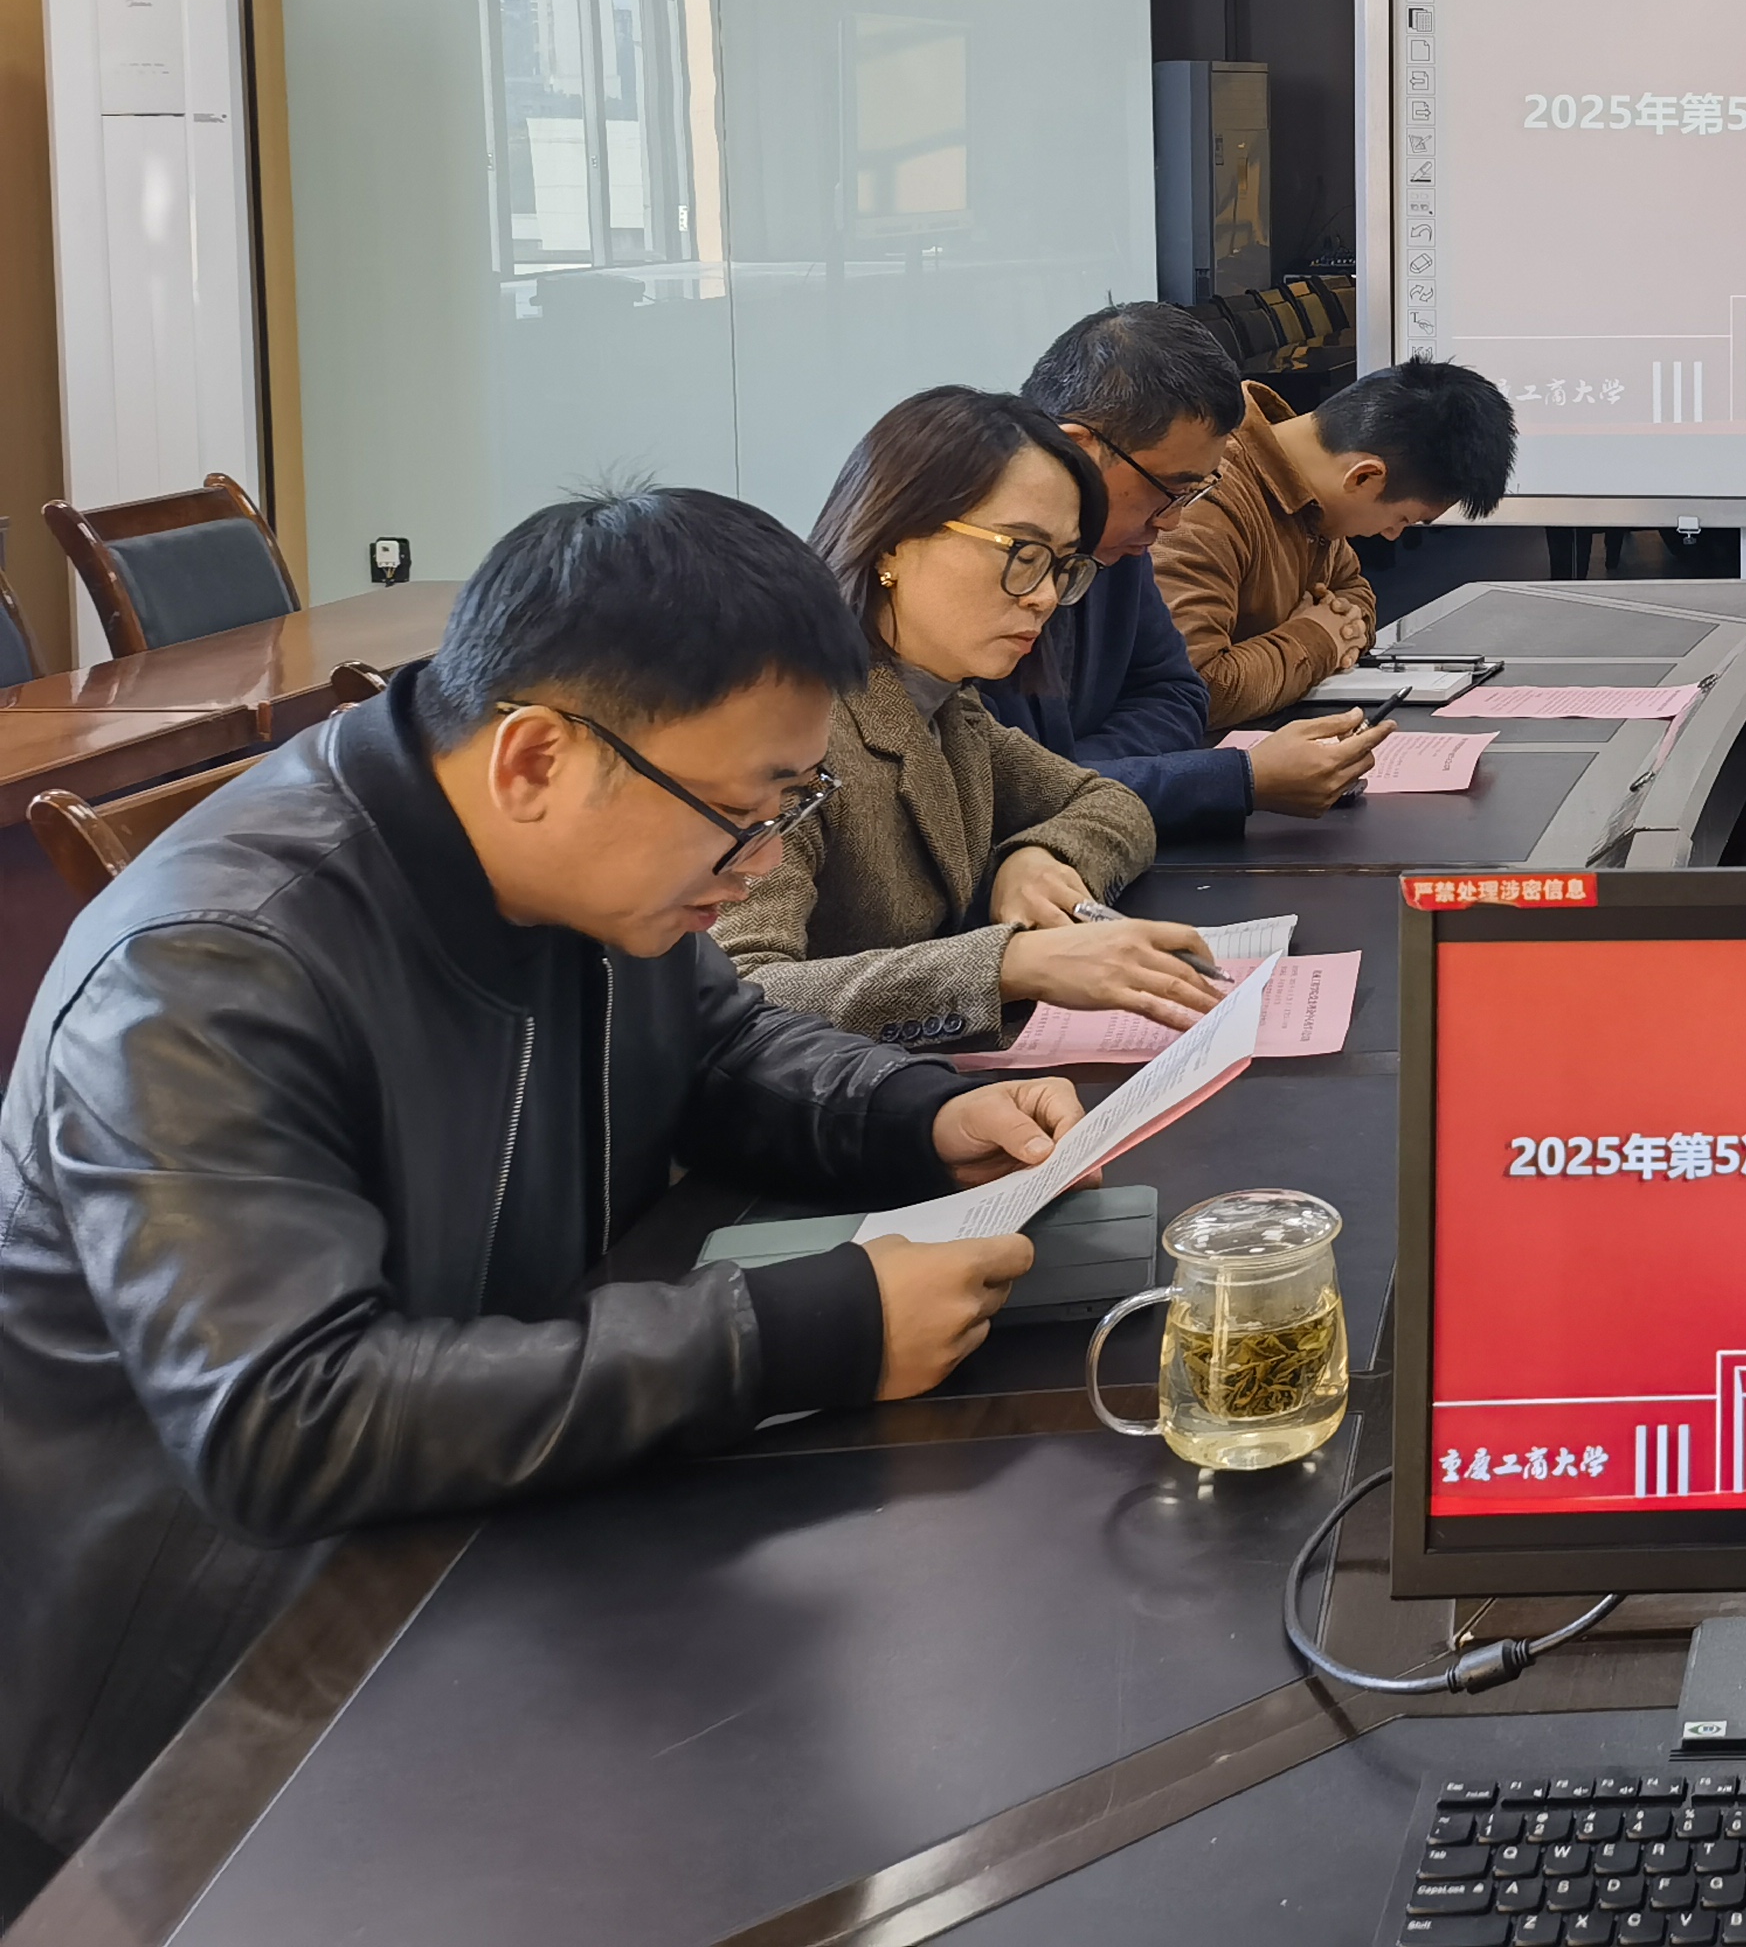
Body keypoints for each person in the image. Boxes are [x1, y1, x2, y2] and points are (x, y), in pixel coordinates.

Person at [0, 489, 1073, 1890]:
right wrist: (796, 1331)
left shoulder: (584, 860)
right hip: (218, 1700)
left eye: (787, 808)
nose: (758, 864)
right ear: (535, 758)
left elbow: (718, 1047)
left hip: (486, 1524)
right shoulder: (207, 969)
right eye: (737, 816)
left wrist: (920, 1114)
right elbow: (285, 1419)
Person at [715, 388, 1206, 1050]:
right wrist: (1008, 964)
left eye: (1062, 566)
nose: (1046, 597)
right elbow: (743, 994)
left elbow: (1109, 802)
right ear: (893, 541)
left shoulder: (945, 702)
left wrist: (1038, 856)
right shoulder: (784, 723)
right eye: (1022, 554)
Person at [992, 303, 1393, 836]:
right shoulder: (971, 567)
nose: (1173, 521)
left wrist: (1074, 774)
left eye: (1191, 493)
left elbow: (1176, 696)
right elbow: (999, 795)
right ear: (1079, 447)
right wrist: (1237, 780)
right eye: (1170, 490)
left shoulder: (1119, 544)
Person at [1154, 354, 1518, 729]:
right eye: (1404, 519)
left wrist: (1329, 629)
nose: (1393, 534)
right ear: (1363, 477)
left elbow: (1353, 593)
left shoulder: (1313, 492)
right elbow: (1196, 692)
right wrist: (1317, 638)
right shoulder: (1202, 499)